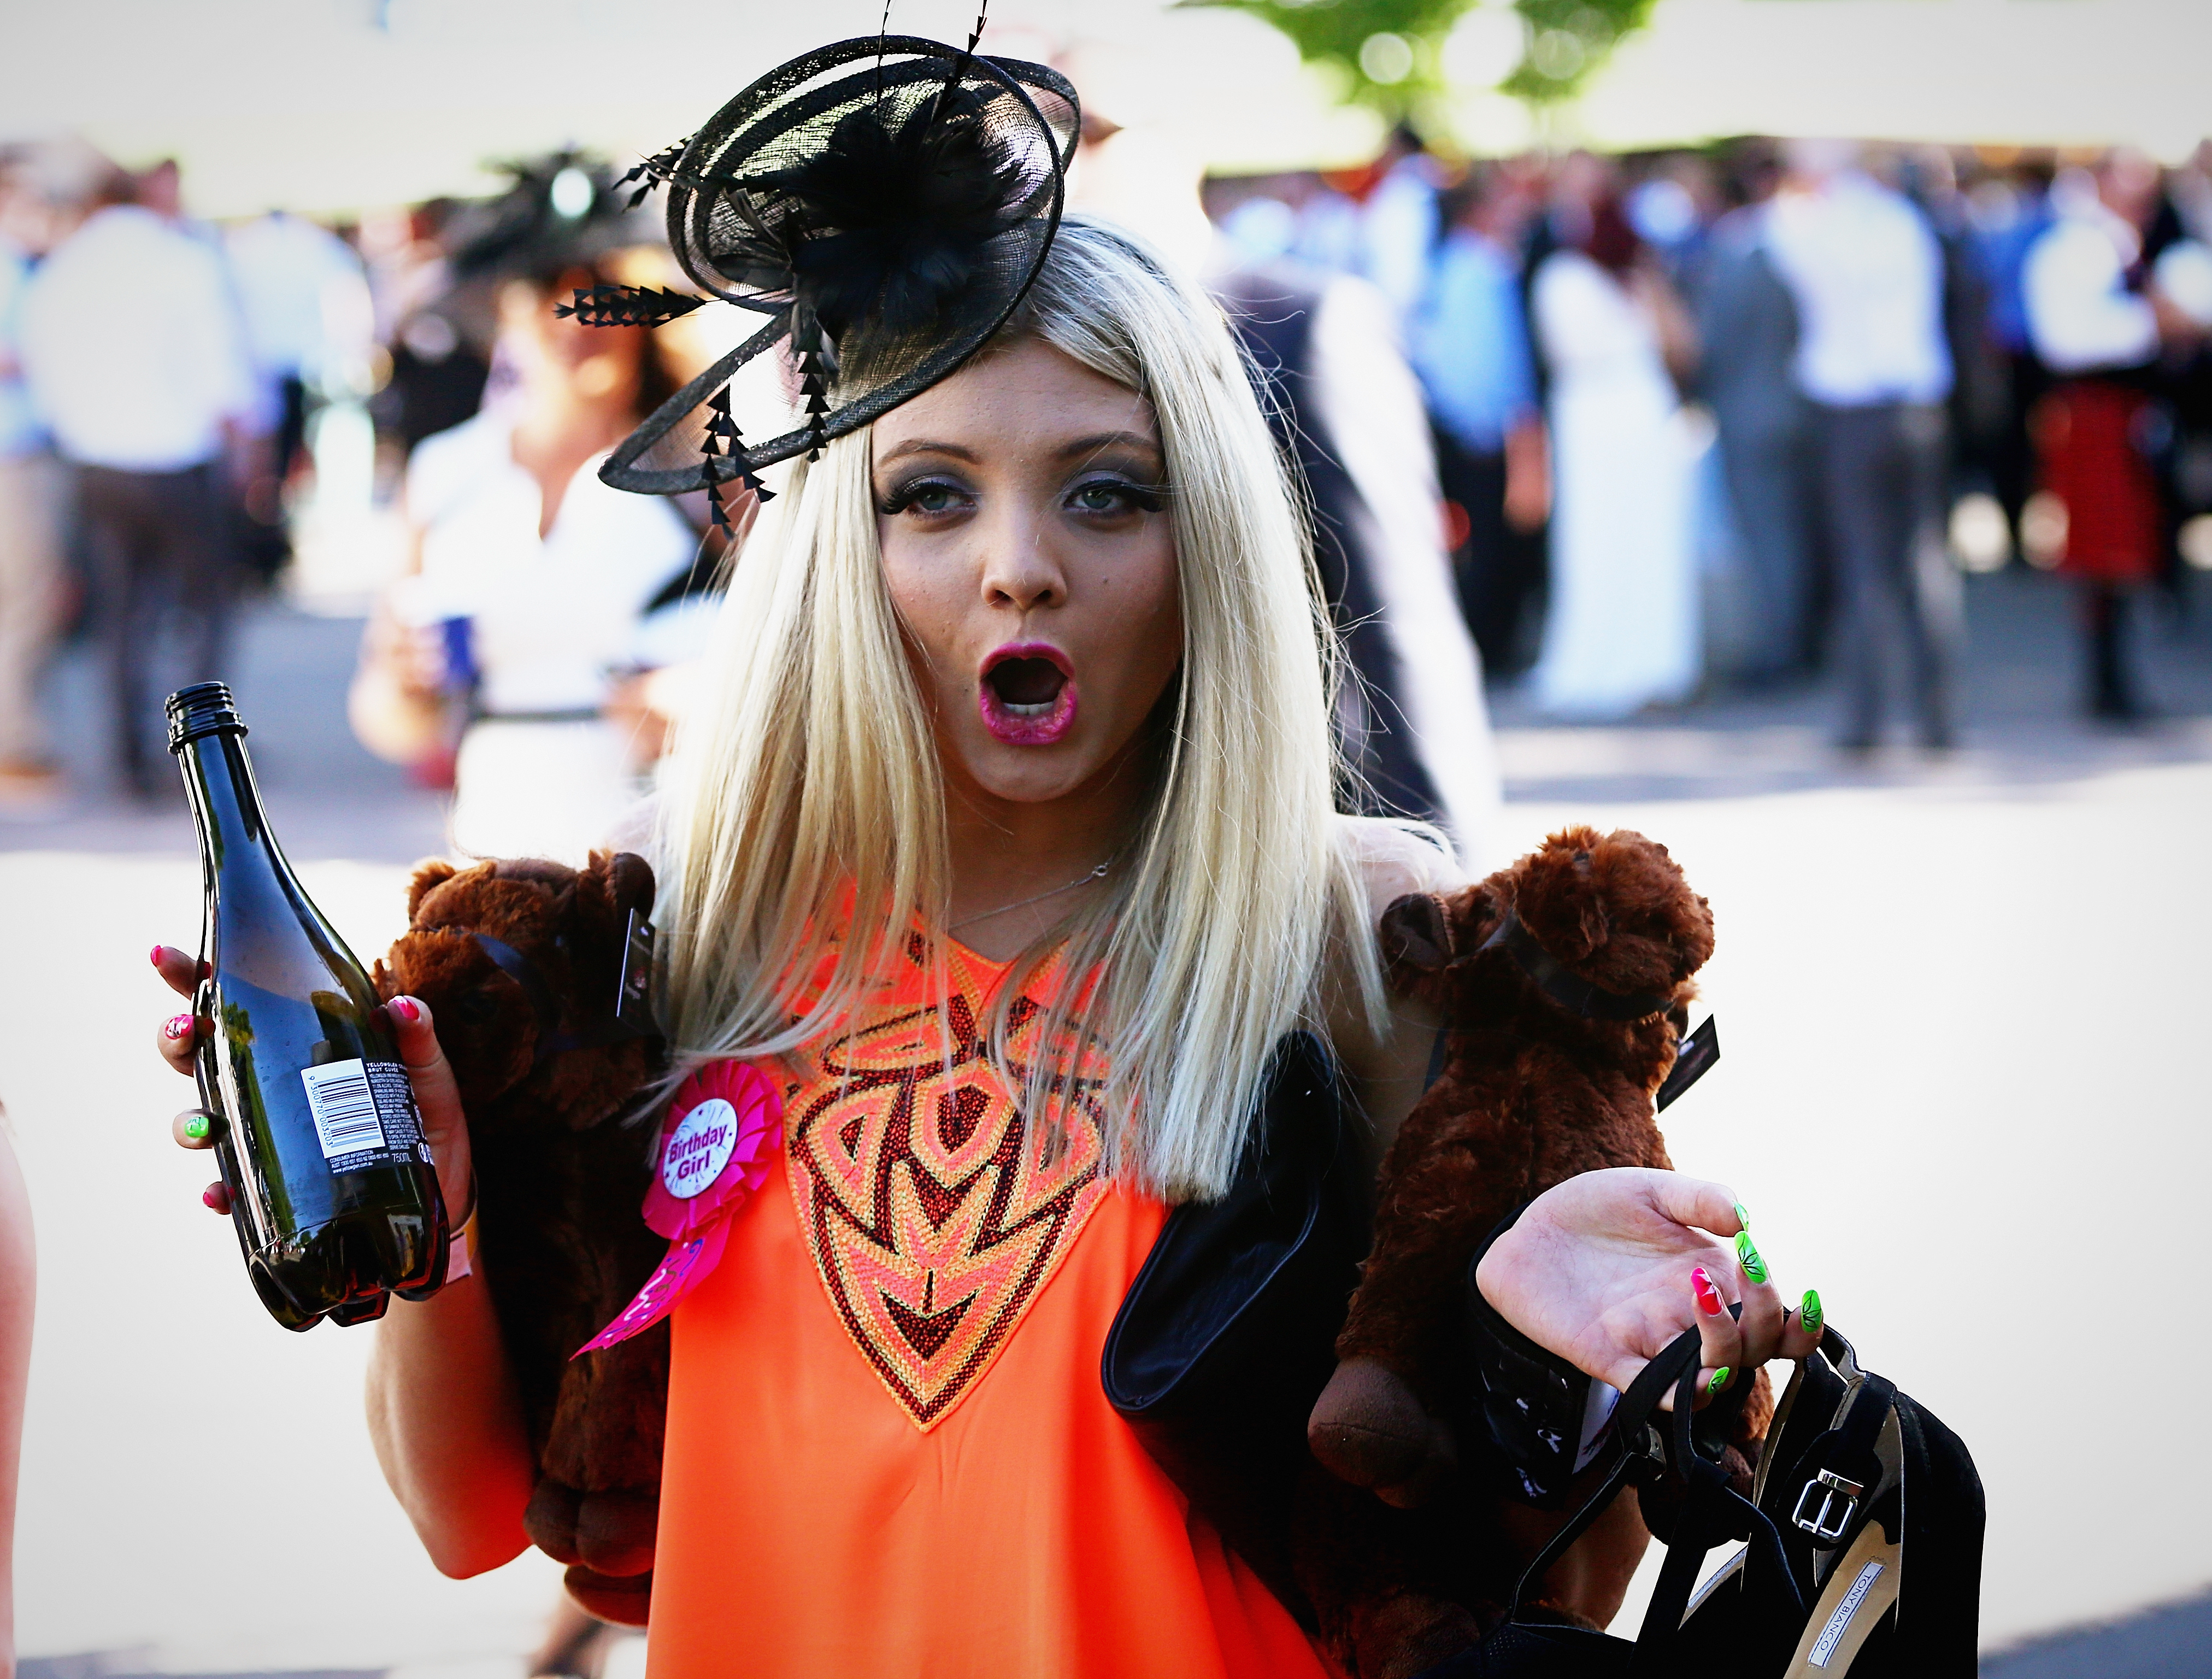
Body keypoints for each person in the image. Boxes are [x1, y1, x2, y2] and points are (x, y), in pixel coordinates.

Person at [154, 48, 1819, 1675]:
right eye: (930, 495)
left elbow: (1556, 1595)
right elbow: (464, 1519)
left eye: (1106, 496)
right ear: (832, 541)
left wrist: (1577, 1368)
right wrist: (434, 1223)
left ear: (1209, 550)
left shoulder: (1356, 928)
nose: (1016, 566)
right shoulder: (669, 920)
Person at [346, 157, 710, 863]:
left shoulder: (710, 474)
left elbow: (803, 670)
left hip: (669, 858)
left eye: (604, 289)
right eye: (550, 289)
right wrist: (405, 686)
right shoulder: (448, 473)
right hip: (498, 853)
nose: (580, 315)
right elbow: (387, 719)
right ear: (506, 311)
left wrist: (711, 702)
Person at [18, 163, 257, 797]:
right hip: (177, 461)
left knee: (123, 615)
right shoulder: (179, 261)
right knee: (207, 610)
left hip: (97, 463)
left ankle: (129, 758)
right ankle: (209, 757)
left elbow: (38, 362)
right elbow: (221, 375)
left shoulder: (62, 270)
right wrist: (250, 452)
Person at [1764, 142, 1957, 753]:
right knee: (1926, 564)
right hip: (1917, 407)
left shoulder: (1815, 230)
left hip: (1853, 416)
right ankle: (1938, 718)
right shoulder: (1906, 224)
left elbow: (1779, 248)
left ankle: (1866, 721)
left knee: (1864, 568)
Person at [2023, 152, 2209, 719]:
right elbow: (2068, 341)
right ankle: (2105, 685)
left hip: (2126, 413)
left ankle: (2115, 681)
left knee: (2126, 549)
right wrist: (2151, 324)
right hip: (2094, 412)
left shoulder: (2122, 244)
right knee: (2101, 554)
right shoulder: (2076, 250)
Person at [1528, 157, 1702, 720]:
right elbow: (1681, 348)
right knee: (1616, 538)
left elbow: (1678, 346)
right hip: (1614, 409)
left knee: (1622, 537)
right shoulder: (1583, 275)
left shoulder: (1581, 276)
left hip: (1603, 411)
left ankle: (1646, 664)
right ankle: (1646, 665)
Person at [1409, 165, 1551, 678]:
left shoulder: (1448, 266)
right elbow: (1498, 361)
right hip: (1489, 434)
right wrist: (1512, 428)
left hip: (1466, 428)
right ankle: (1493, 650)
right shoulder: (1484, 272)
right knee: (1496, 547)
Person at [1695, 147, 1817, 685]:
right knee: (1793, 533)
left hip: (1754, 412)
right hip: (1800, 409)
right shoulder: (1808, 242)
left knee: (1770, 538)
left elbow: (1717, 341)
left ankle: (1781, 648)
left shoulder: (1744, 251)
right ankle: (1797, 639)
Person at [0, 150, 73, 796]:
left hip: (20, 452)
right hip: (12, 456)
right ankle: (14, 746)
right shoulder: (11, 267)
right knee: (25, 603)